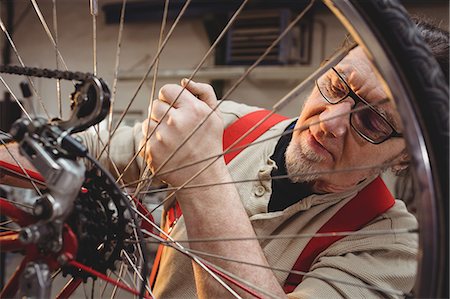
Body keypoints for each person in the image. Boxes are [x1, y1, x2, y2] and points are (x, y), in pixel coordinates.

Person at [0, 18, 448, 298]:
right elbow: (89, 154)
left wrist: (199, 172)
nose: (330, 121)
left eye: (372, 122)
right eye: (336, 86)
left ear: (406, 158)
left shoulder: (393, 244)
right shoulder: (228, 123)